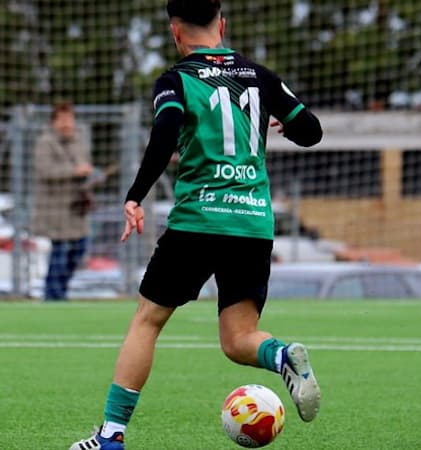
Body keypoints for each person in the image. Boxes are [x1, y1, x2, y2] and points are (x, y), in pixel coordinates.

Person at [70, 1, 323, 449]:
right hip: (251, 224)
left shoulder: (176, 80)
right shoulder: (258, 75)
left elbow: (164, 135)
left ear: (175, 32)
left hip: (198, 221)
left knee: (147, 321)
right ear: (221, 25)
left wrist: (135, 195)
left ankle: (111, 436)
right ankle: (283, 355)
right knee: (239, 338)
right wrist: (285, 122)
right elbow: (311, 131)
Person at [32, 100, 95, 301]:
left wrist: (90, 175)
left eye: (70, 119)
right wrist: (74, 171)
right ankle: (53, 296)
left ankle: (59, 292)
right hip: (55, 210)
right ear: (53, 122)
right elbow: (45, 171)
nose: (67, 123)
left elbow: (84, 168)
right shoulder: (45, 142)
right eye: (62, 119)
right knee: (59, 254)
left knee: (79, 249)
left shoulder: (79, 142)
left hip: (76, 209)